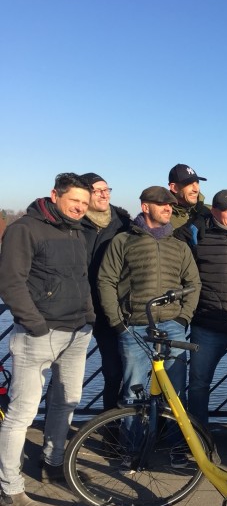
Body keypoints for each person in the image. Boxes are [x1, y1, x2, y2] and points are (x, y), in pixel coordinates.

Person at [0, 173, 94, 506]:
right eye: (75, 202)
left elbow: (80, 280)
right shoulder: (24, 229)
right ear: (55, 195)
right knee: (21, 413)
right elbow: (11, 282)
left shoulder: (77, 231)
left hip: (77, 332)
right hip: (38, 335)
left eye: (84, 203)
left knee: (66, 402)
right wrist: (36, 325)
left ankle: (53, 464)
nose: (80, 208)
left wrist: (89, 316)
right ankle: (10, 489)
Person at [98, 186, 200, 435]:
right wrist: (118, 323)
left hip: (172, 327)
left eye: (170, 205)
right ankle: (131, 450)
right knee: (133, 391)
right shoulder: (123, 241)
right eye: (162, 204)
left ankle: (177, 445)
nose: (168, 208)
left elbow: (193, 284)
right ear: (145, 207)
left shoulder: (179, 246)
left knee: (176, 392)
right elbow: (106, 281)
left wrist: (183, 318)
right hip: (134, 328)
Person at [181, 189, 227, 427]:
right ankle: (199, 436)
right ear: (214, 211)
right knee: (199, 384)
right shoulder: (198, 233)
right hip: (206, 326)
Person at [79, 173, 132, 412]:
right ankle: (54, 430)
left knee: (114, 372)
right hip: (75, 308)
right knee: (62, 374)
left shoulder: (122, 222)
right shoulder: (74, 221)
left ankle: (112, 428)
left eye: (106, 189)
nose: (104, 194)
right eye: (97, 190)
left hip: (108, 308)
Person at [167, 163, 211, 230]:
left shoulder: (212, 212)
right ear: (174, 187)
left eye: (197, 183)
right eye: (189, 184)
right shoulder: (162, 217)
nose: (196, 189)